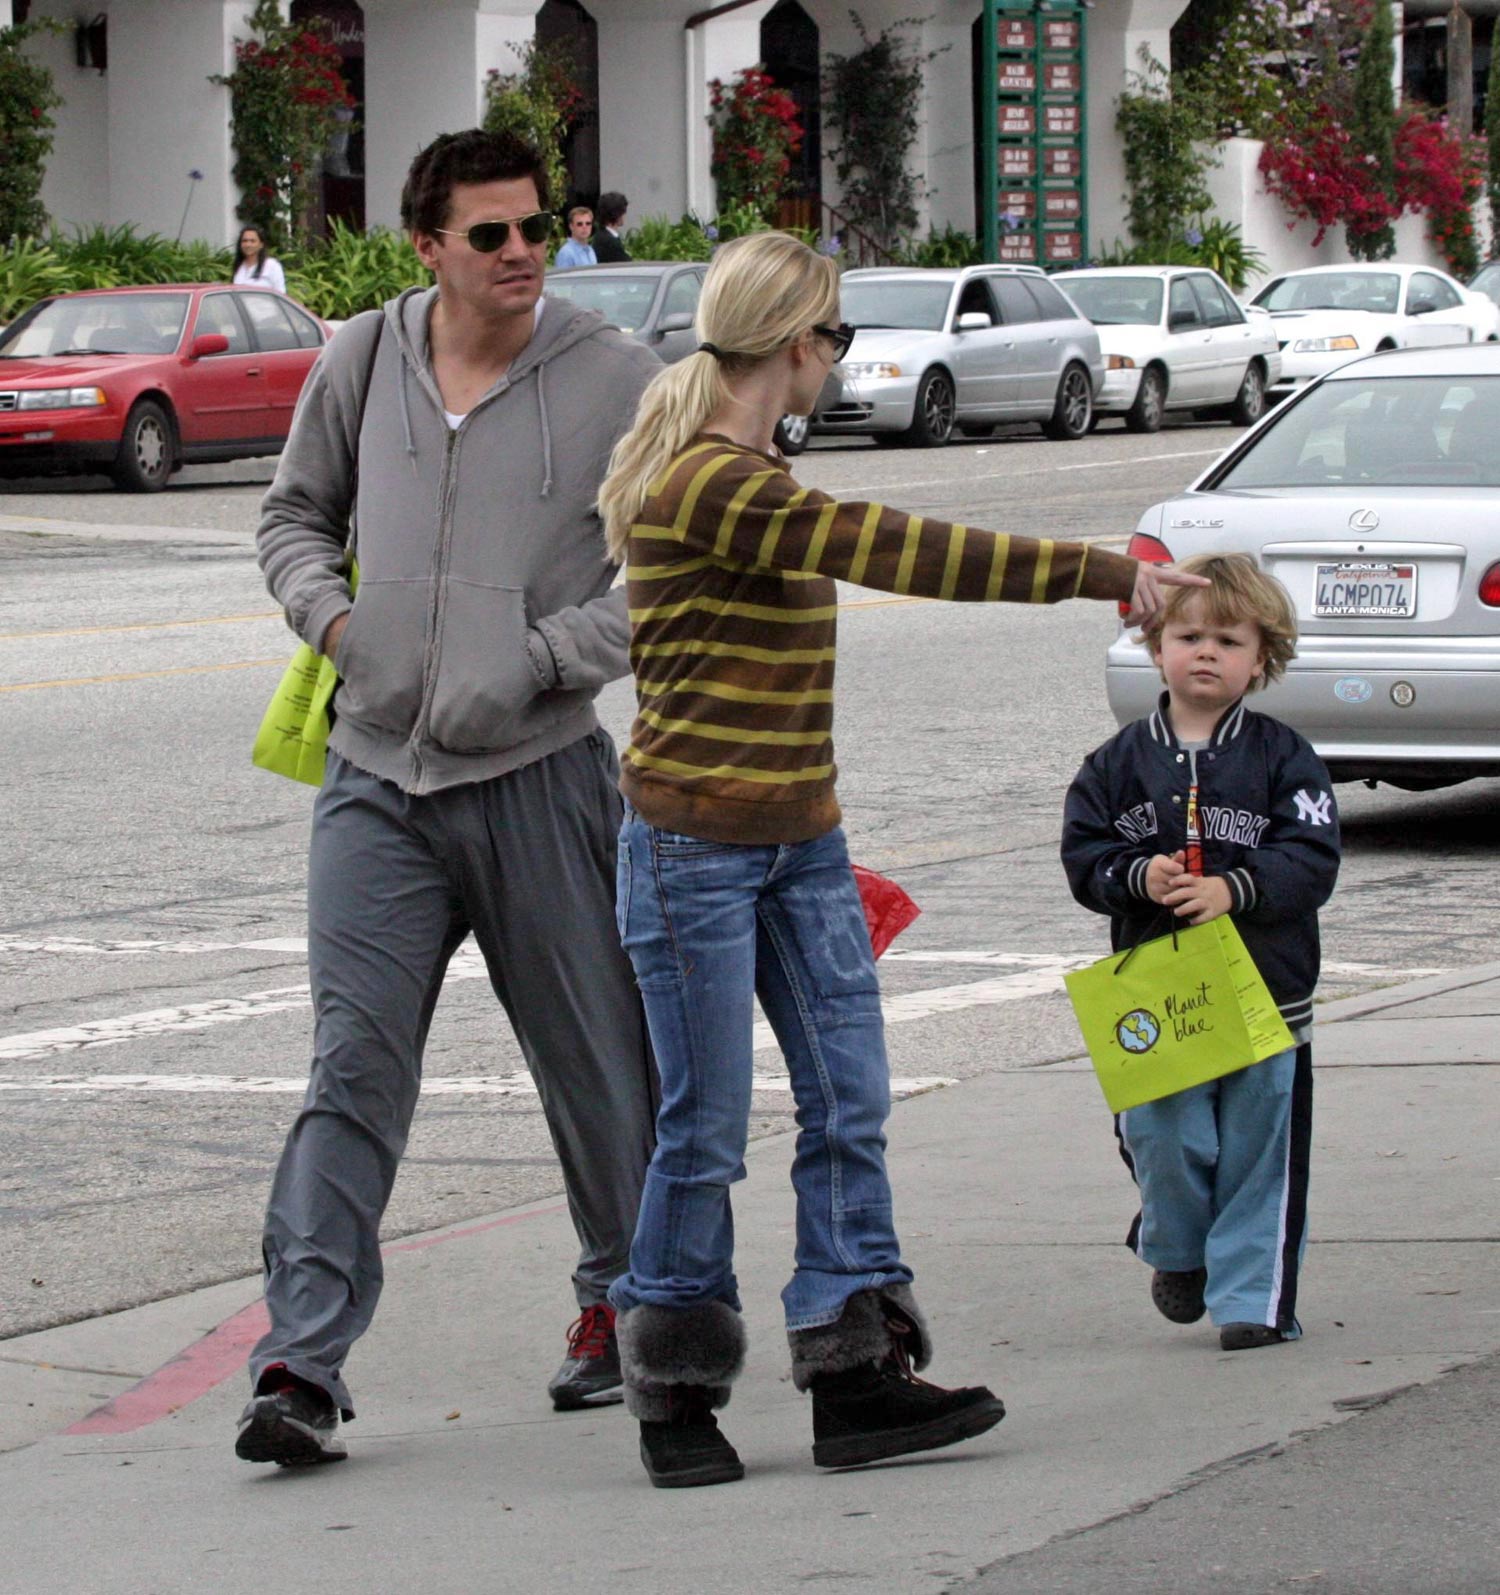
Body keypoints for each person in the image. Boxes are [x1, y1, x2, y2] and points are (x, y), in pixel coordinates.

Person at [594, 229, 1209, 1489]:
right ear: (796, 341)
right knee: (703, 1125)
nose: (841, 361)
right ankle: (672, 1383)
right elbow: (893, 545)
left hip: (800, 841)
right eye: (839, 339)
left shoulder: (746, 460)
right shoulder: (710, 481)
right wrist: (1106, 572)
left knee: (851, 1100)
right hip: (692, 849)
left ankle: (853, 1365)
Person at [238, 128, 662, 1467]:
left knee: (599, 1066)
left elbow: (658, 575)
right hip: (376, 778)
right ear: (427, 244)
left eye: (537, 225)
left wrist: (541, 661)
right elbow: (290, 518)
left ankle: (623, 1301)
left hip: (539, 775)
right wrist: (338, 625)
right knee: (351, 1066)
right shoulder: (360, 357)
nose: (524, 250)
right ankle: (302, 1361)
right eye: (490, 234)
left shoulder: (617, 378)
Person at [1061, 552, 1340, 1352]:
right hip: (1157, 997)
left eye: (1228, 639)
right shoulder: (1114, 766)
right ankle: (1178, 1245)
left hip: (1266, 995)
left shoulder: (1285, 758)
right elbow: (1083, 859)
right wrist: (1133, 875)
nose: (1206, 652)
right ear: (1156, 647)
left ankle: (1253, 1298)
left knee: (1260, 1152)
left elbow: (1313, 859)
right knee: (1164, 1136)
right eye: (1188, 635)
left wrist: (1235, 889)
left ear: (1263, 658)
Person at [232, 226, 286, 294]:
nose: (248, 244)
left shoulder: (272, 266)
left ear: (261, 244)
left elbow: (281, 294)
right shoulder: (239, 267)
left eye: (252, 241)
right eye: (244, 241)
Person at [555, 205, 597, 269]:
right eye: (579, 224)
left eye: (588, 223)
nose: (584, 227)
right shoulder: (566, 253)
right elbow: (563, 278)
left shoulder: (591, 250)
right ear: (571, 226)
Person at [591, 192, 629, 262]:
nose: (625, 214)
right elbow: (624, 263)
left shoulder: (602, 235)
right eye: (623, 211)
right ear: (616, 213)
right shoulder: (608, 241)